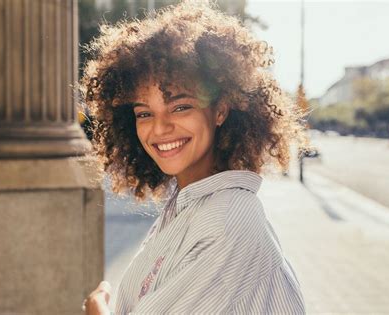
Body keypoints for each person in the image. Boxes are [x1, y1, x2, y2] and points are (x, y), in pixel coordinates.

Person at [80, 1, 307, 314]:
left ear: (221, 110)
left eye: (181, 106)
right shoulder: (188, 205)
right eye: (144, 113)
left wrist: (96, 309)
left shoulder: (228, 220)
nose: (160, 128)